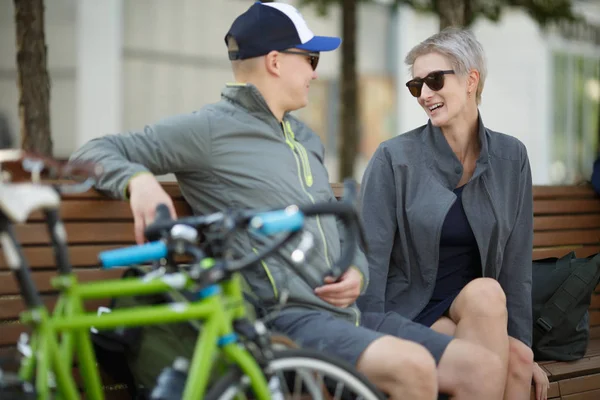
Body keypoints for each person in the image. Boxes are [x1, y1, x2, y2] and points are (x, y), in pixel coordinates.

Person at [72, 3, 507, 399]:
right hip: (281, 323)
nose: (316, 73)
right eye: (310, 59)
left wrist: (354, 270)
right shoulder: (208, 130)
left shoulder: (305, 138)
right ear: (275, 62)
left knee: (482, 369)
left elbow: (341, 227)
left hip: (348, 315)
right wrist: (139, 180)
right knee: (411, 368)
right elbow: (90, 154)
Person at [357, 28, 550, 400]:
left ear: (471, 79)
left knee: (514, 347)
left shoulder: (512, 158)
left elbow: (515, 264)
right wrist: (365, 344)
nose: (425, 94)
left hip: (475, 309)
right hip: (410, 307)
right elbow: (371, 257)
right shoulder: (394, 158)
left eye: (434, 79)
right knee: (500, 360)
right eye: (416, 86)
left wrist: (523, 344)